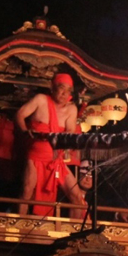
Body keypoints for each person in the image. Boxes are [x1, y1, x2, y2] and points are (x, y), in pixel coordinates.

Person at [14, 72, 85, 216]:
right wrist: (24, 131)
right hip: (36, 155)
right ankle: (19, 224)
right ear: (53, 87)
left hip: (56, 158)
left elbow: (70, 131)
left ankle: (77, 228)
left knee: (77, 196)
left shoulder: (71, 109)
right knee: (27, 190)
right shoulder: (41, 100)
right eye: (61, 88)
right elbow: (20, 114)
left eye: (68, 90)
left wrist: (62, 140)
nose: (64, 93)